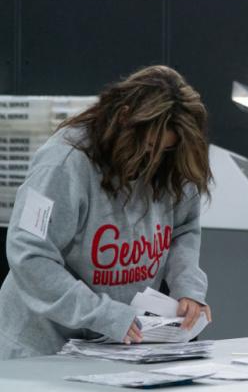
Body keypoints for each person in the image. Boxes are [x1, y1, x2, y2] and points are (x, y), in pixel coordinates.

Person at [0, 65, 213, 359]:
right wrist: (102, 314)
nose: (153, 161)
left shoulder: (172, 162)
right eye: (149, 147)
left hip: (111, 345)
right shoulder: (64, 163)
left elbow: (183, 228)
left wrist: (187, 288)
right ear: (124, 117)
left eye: (165, 151)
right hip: (40, 348)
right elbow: (29, 254)